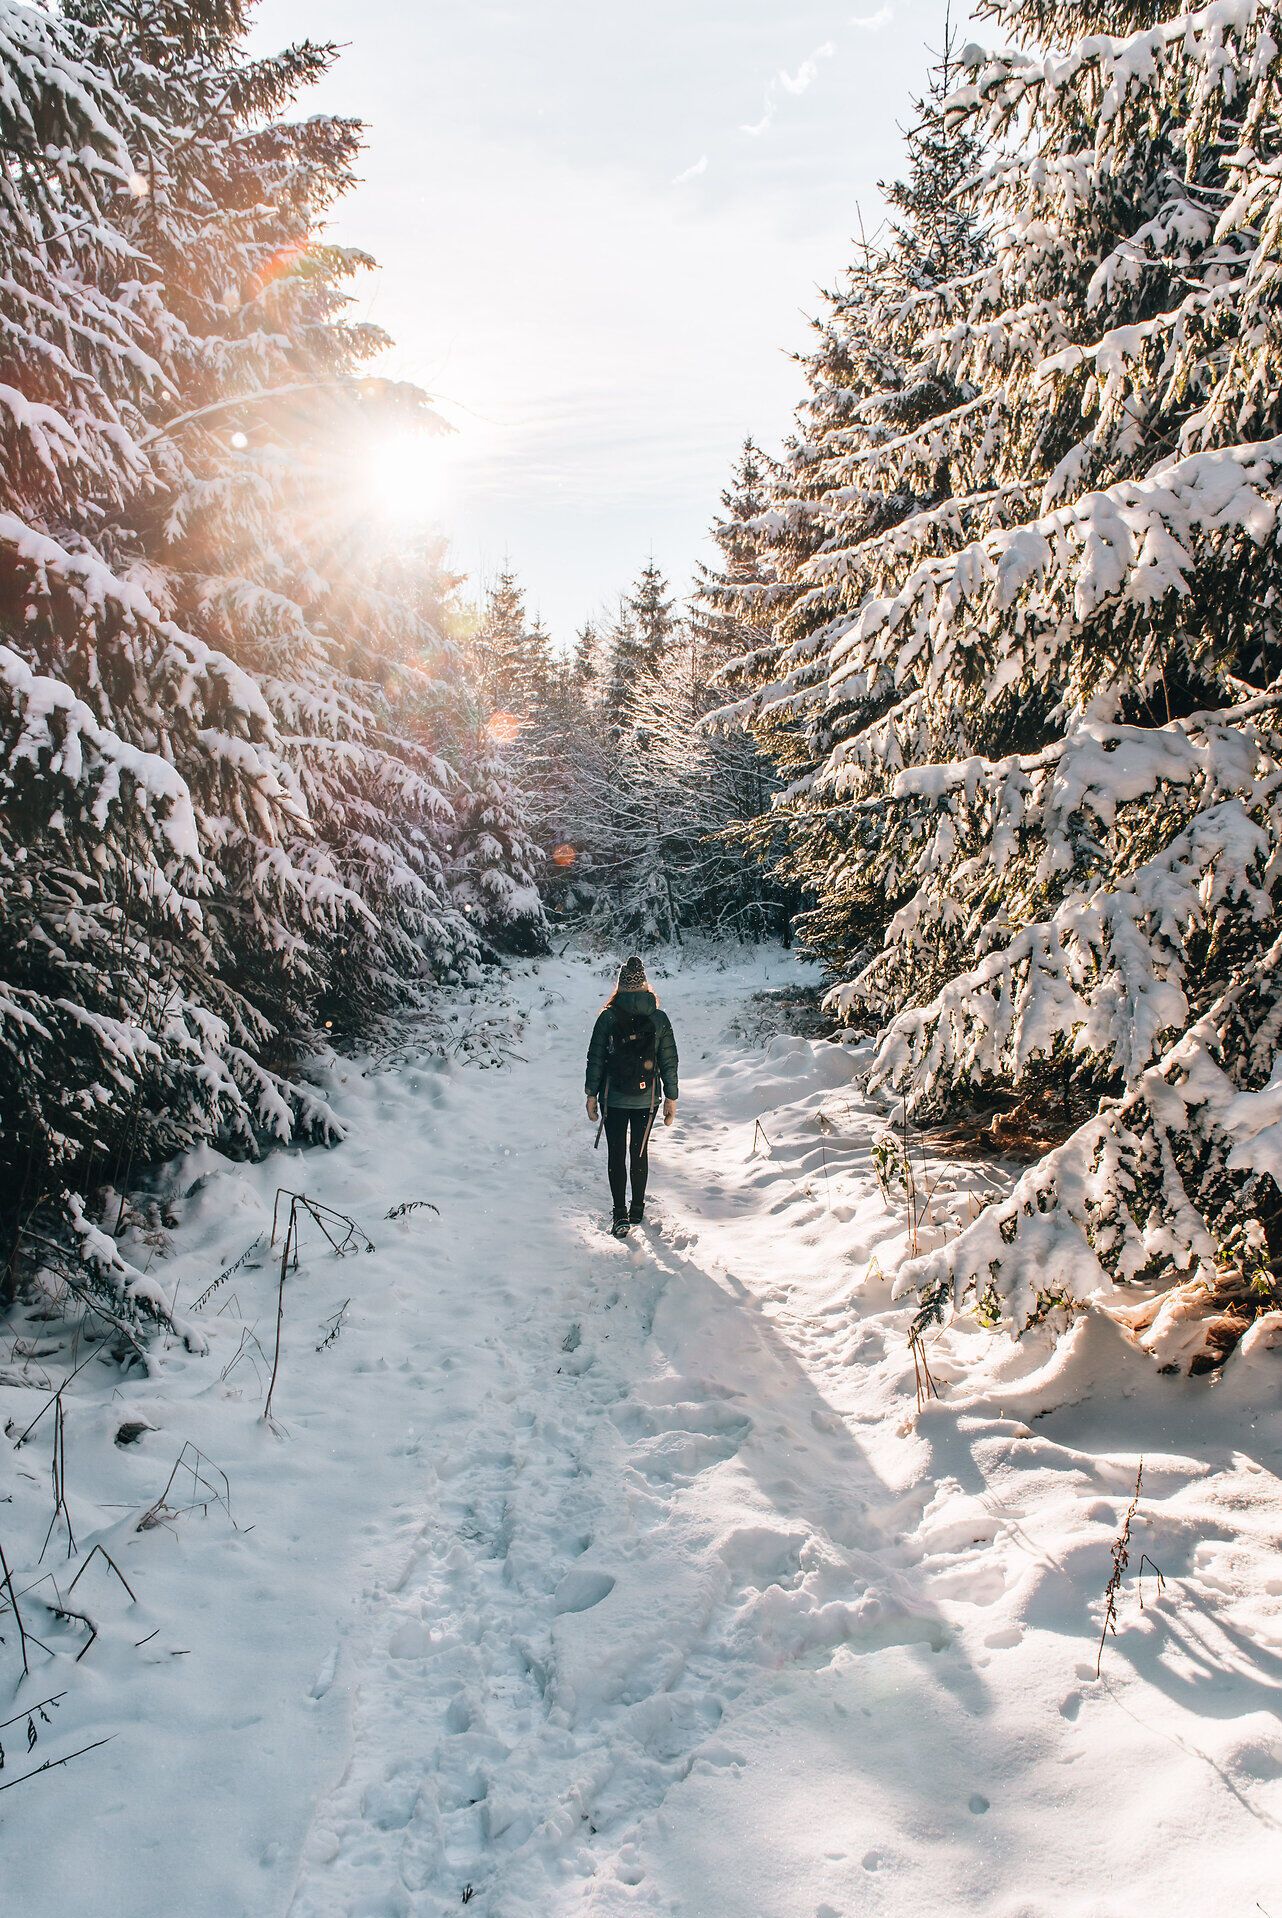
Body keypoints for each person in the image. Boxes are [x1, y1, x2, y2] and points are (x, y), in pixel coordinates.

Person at [584, 955, 678, 1237]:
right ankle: (637, 1208)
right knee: (639, 1152)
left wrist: (591, 1095)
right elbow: (669, 1061)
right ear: (645, 986)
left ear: (620, 987)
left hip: (613, 1097)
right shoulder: (658, 1018)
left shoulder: (607, 1018)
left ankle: (619, 1215)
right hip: (646, 1099)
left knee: (616, 1154)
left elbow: (596, 1059)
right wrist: (671, 1098)